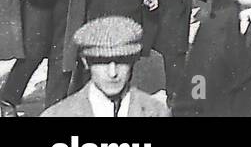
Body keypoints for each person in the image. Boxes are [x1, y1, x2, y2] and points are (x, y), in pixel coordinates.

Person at [40, 16, 169, 117]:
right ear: (85, 62)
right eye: (103, 62)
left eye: (121, 61)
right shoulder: (58, 115)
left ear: (133, 61)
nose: (113, 73)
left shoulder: (157, 112)